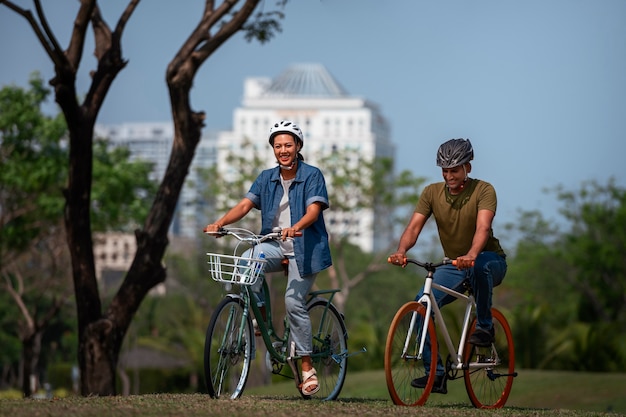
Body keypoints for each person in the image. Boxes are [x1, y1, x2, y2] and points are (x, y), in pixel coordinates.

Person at [204, 120, 332, 396]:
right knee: (245, 263)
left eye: (288, 145)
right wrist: (220, 223)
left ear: (298, 146)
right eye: (278, 146)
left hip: (304, 248)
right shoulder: (266, 177)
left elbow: (314, 210)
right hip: (273, 244)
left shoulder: (312, 175)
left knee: (292, 301)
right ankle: (260, 318)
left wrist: (296, 227)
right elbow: (245, 204)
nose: (283, 150)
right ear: (273, 149)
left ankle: (307, 365)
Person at [388, 138, 507, 394]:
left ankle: (485, 327)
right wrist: (401, 250)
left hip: (489, 259)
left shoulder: (484, 190)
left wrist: (473, 254)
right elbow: (413, 227)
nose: (449, 175)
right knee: (423, 304)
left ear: (468, 168)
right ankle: (436, 374)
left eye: (454, 170)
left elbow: (483, 228)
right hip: (454, 264)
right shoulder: (431, 193)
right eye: (445, 170)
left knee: (479, 266)